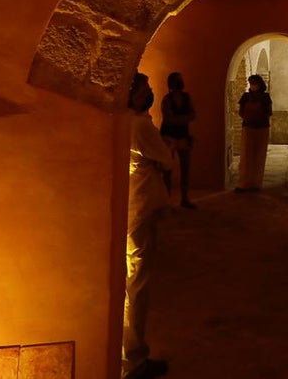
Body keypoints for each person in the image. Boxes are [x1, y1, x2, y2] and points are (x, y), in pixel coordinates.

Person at [123, 72, 173, 379]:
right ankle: (134, 358)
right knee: (137, 284)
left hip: (130, 207)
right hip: (140, 208)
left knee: (130, 281)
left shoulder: (122, 121)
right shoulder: (140, 125)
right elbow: (166, 159)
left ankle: (127, 353)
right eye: (145, 89)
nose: (150, 92)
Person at [160, 72, 197, 209]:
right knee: (167, 170)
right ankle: (166, 200)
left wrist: (178, 120)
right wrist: (184, 119)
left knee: (185, 168)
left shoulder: (186, 98)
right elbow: (169, 119)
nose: (180, 82)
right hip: (169, 137)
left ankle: (184, 198)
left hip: (182, 136)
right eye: (178, 80)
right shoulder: (167, 100)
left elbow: (192, 115)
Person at [235, 74, 272, 192]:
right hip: (248, 127)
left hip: (262, 128)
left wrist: (258, 116)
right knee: (246, 155)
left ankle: (256, 184)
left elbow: (268, 112)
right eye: (250, 83)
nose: (252, 85)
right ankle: (244, 183)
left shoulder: (265, 97)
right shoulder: (245, 97)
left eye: (254, 83)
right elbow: (241, 111)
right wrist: (248, 117)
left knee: (259, 156)